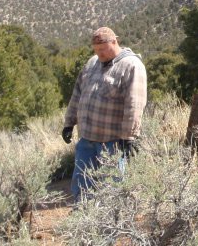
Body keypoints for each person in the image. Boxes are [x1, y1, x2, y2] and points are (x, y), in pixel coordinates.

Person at [61, 27, 147, 202]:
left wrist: (129, 137)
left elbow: (135, 103)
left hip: (113, 141)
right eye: (96, 50)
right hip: (86, 139)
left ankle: (112, 222)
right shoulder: (92, 63)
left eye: (102, 49)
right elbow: (78, 94)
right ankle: (83, 217)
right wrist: (69, 123)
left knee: (112, 185)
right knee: (82, 182)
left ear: (115, 42)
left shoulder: (132, 65)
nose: (99, 54)